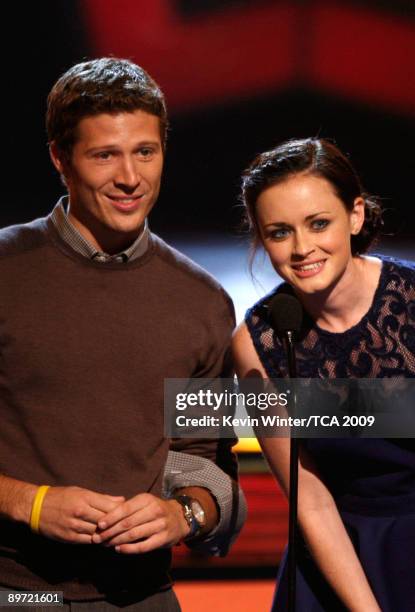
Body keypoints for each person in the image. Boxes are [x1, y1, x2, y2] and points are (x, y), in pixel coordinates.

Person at [0, 57, 246, 610]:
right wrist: (31, 503)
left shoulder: (201, 301)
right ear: (60, 159)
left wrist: (182, 513)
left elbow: (207, 466)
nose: (130, 178)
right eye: (105, 155)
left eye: (145, 152)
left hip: (144, 597)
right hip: (16, 596)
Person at [232, 137, 415, 611]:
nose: (301, 248)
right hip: (340, 560)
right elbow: (310, 501)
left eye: (318, 224)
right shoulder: (259, 342)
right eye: (279, 232)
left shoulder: (410, 300)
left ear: (355, 216)